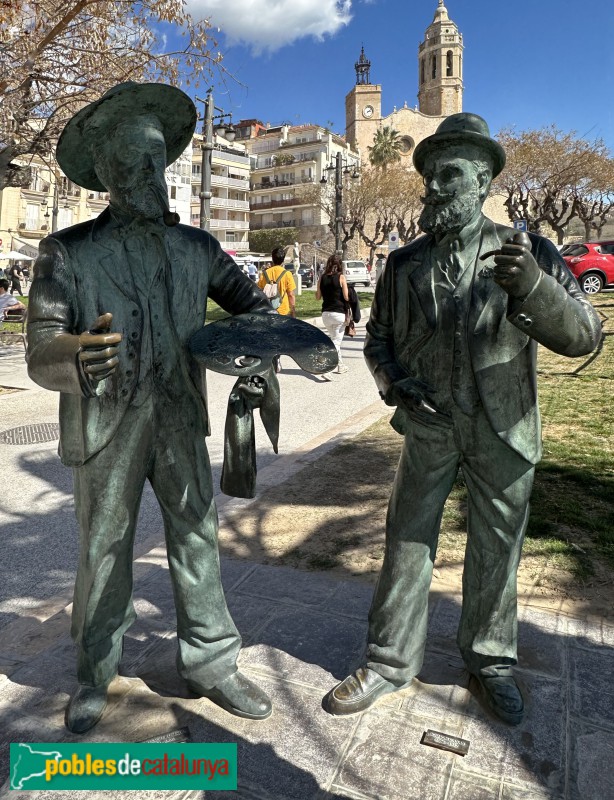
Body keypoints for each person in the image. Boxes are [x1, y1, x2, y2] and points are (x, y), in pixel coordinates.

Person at [323, 113, 601, 726]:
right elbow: (379, 340)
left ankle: (491, 660)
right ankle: (389, 660)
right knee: (407, 538)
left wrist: (533, 289)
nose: (432, 189)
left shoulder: (529, 253)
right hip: (430, 426)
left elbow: (585, 336)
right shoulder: (402, 264)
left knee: (498, 545)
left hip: (503, 426)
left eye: (448, 176)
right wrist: (394, 383)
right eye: (427, 178)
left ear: (482, 181)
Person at [26, 81, 274, 735]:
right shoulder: (67, 252)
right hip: (106, 426)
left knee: (197, 539)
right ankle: (94, 671)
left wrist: (257, 354)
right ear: (106, 170)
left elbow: (257, 308)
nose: (148, 174)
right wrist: (76, 356)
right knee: (103, 549)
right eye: (134, 161)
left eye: (156, 160)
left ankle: (213, 663)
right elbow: (39, 348)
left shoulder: (199, 248)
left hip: (179, 421)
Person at [258, 246, 296, 372]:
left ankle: (271, 358)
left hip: (268, 309)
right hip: (282, 309)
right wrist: (293, 310)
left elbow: (259, 291)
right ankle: (277, 358)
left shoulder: (265, 274)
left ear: (272, 258)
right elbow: (291, 294)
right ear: (283, 259)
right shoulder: (287, 274)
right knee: (279, 335)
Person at [315, 253, 350, 379]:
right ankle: (326, 368)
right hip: (338, 313)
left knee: (334, 339)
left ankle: (341, 366)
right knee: (336, 342)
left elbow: (318, 297)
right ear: (340, 265)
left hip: (326, 314)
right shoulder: (341, 277)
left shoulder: (322, 277)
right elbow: (346, 296)